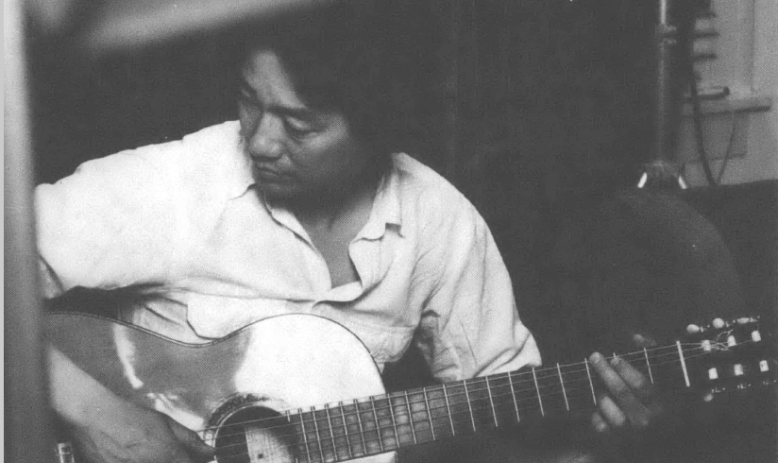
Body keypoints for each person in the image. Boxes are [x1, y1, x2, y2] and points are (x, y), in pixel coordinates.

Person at [38, 4, 662, 463]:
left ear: (377, 129)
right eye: (250, 101)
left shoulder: (438, 223)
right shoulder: (180, 184)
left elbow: (499, 404)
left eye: (300, 126)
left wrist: (600, 449)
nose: (260, 140)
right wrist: (99, 415)